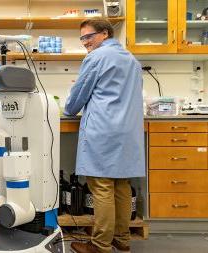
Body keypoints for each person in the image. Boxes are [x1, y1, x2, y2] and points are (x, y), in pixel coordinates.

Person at [64, 18, 145, 253]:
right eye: (82, 38)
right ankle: (122, 239)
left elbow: (77, 96)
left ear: (105, 34)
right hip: (127, 132)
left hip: (105, 130)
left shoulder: (96, 57)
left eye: (88, 37)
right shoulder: (132, 60)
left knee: (101, 187)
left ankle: (100, 245)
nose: (85, 43)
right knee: (120, 185)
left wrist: (69, 108)